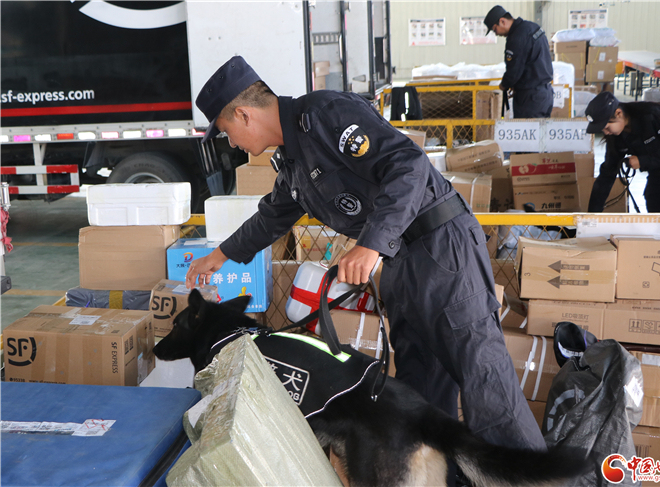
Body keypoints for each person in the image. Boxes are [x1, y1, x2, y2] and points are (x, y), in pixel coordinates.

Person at [185, 55, 547, 465]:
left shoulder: (324, 114)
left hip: (441, 249)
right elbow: (273, 216)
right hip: (401, 260)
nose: (231, 143)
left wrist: (370, 244)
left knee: (484, 380)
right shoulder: (292, 159)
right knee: (421, 388)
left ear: (243, 114)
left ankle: (535, 476)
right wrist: (220, 255)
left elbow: (408, 165)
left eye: (226, 131)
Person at [586, 91, 660, 236]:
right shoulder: (616, 138)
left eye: (607, 127)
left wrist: (643, 161)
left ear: (618, 113)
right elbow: (607, 174)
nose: (606, 133)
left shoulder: (654, 115)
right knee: (658, 220)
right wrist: (591, 218)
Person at [484, 5, 553, 119]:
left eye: (495, 29)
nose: (496, 34)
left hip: (530, 99)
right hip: (546, 94)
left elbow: (514, 71)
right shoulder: (533, 27)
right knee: (541, 129)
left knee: (527, 130)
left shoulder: (516, 37)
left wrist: (503, 85)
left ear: (502, 21)